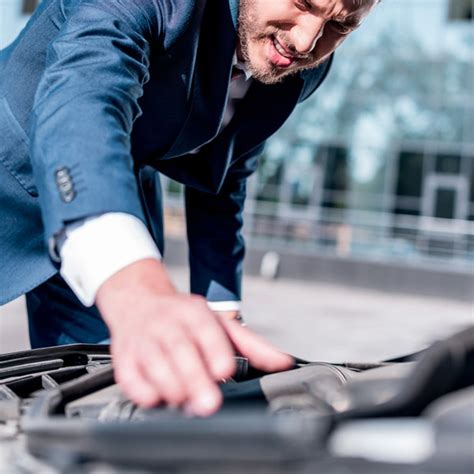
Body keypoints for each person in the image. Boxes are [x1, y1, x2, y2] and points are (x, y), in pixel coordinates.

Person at [0, 0, 379, 415]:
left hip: (119, 191)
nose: (306, 41)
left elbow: (224, 170)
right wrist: (135, 288)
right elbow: (82, 99)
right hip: (14, 170)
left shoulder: (300, 65)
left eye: (339, 26)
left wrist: (221, 311)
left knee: (102, 398)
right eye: (303, 3)